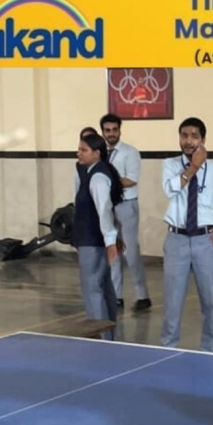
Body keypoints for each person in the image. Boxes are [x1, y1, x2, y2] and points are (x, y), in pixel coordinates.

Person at [160, 117, 213, 353]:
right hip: (176, 240)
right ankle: (167, 349)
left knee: (210, 301)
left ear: (203, 140)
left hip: (206, 241)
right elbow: (170, 189)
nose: (188, 141)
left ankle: (210, 351)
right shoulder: (170, 165)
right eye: (184, 135)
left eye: (194, 136)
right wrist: (194, 167)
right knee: (172, 302)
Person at [99, 113, 151, 313]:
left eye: (115, 129)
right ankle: (117, 296)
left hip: (127, 205)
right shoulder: (101, 153)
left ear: (120, 130)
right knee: (113, 250)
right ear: (103, 132)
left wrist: (108, 182)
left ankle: (142, 296)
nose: (111, 133)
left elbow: (131, 179)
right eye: (107, 130)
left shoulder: (130, 152)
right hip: (109, 206)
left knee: (131, 252)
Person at [72, 132, 122, 340]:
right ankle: (108, 336)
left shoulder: (98, 177)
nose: (79, 153)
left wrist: (111, 242)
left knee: (93, 290)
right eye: (79, 149)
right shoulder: (91, 173)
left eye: (84, 150)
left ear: (97, 153)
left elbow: (104, 211)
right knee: (103, 287)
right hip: (92, 240)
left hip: (92, 242)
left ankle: (100, 339)